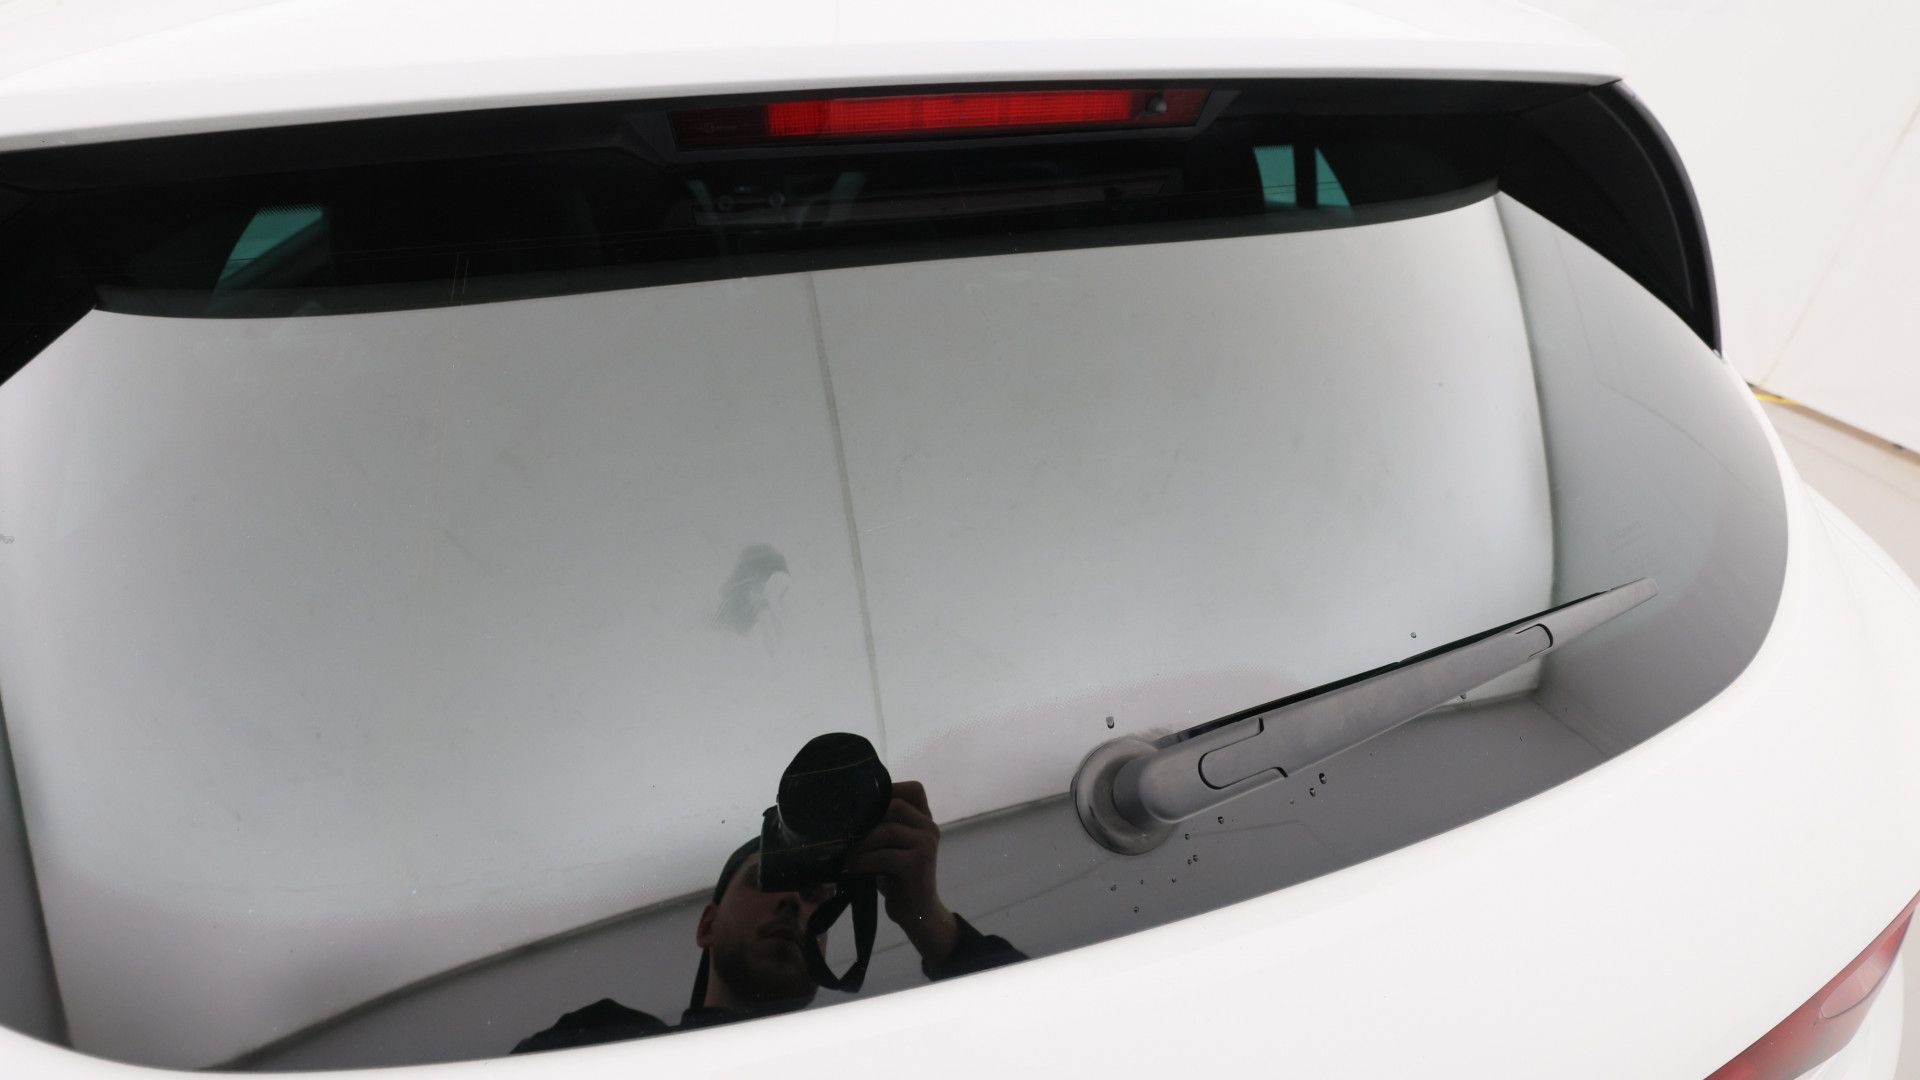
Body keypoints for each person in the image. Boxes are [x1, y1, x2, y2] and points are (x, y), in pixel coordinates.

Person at [514, 781, 1023, 1054]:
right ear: (707, 925)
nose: (793, 903)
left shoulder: (876, 1060)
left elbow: (1042, 1042)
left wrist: (924, 917)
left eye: (816, 895)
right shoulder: (607, 1040)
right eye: (766, 880)